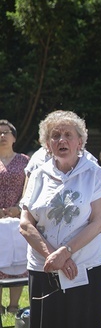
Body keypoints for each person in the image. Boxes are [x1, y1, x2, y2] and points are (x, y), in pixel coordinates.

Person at [19, 110, 101, 328]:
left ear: (81, 141)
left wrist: (67, 251)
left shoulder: (94, 174)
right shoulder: (38, 173)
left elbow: (98, 221)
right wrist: (52, 254)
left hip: (86, 267)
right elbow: (25, 223)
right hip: (45, 267)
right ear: (46, 143)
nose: (61, 140)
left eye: (67, 135)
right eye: (54, 136)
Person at [0, 119, 29, 314]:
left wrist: (18, 208)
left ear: (14, 137)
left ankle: (13, 306)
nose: (2, 136)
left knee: (18, 261)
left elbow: (31, 188)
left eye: (5, 132)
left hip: (18, 218)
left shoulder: (25, 161)